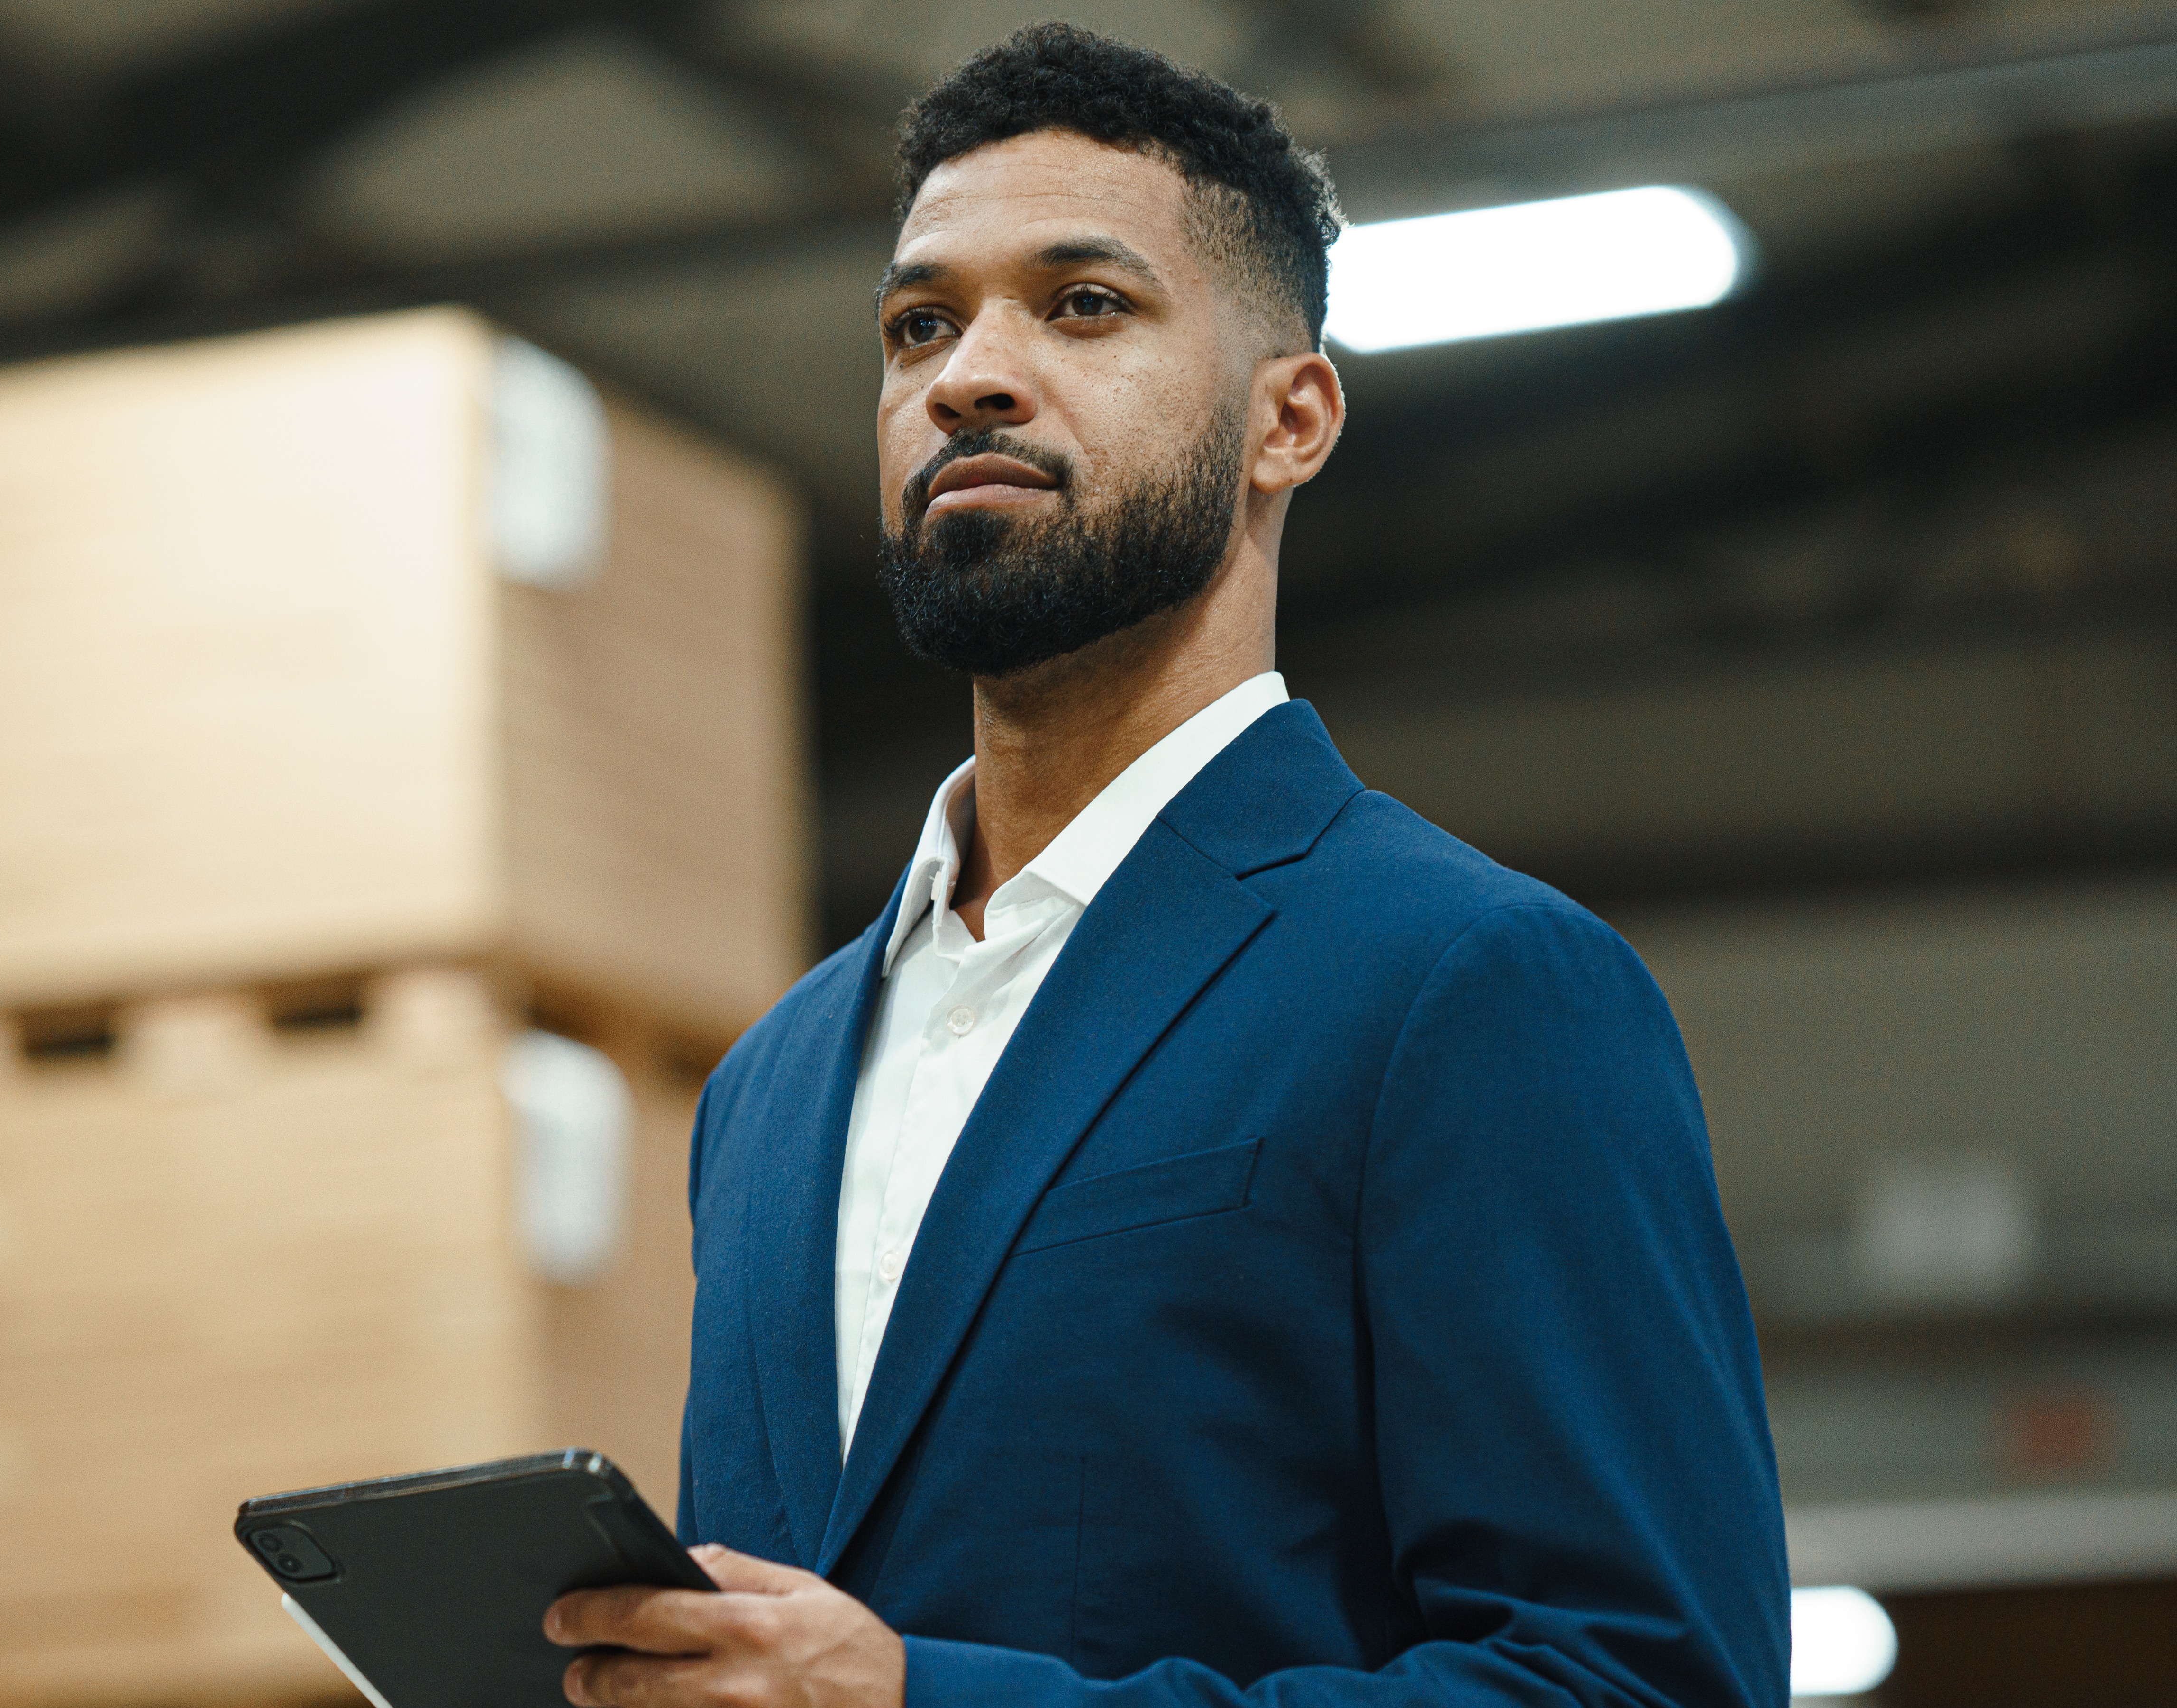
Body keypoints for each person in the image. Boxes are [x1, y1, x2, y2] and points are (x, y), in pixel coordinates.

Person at [544, 25, 1786, 1708]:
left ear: (1292, 420)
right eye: (921, 324)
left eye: (1084, 304)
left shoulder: (1469, 984)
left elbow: (1646, 1684)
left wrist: (925, 1703)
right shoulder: (766, 1088)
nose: (968, 373)